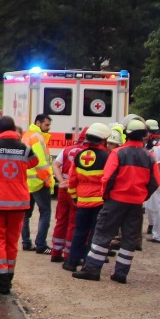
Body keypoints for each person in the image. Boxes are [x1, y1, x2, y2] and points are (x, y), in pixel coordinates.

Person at [72, 118, 160, 284]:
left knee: (103, 233)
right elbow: (156, 181)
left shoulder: (118, 153)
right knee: (130, 237)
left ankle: (92, 269)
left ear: (127, 134)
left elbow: (107, 178)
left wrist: (105, 196)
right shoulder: (150, 156)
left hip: (115, 200)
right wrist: (142, 196)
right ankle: (121, 274)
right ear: (143, 136)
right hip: (135, 203)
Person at [0, 115, 39, 294]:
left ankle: (2, 281)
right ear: (14, 129)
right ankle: (9, 276)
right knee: (12, 241)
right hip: (19, 203)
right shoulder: (25, 148)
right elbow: (35, 162)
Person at [63, 122, 114, 271]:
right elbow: (109, 179)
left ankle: (71, 262)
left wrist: (74, 196)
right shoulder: (107, 157)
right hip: (99, 202)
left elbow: (72, 179)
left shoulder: (79, 156)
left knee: (79, 231)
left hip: (82, 202)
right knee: (94, 234)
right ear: (103, 140)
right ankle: (87, 262)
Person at [49, 129, 87, 262]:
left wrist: (61, 181)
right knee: (73, 223)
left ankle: (56, 251)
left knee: (61, 221)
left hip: (63, 190)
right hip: (77, 191)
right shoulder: (89, 153)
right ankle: (68, 253)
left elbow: (55, 165)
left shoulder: (67, 149)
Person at [21, 113, 55, 254]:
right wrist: (48, 180)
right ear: (39, 123)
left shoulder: (27, 135)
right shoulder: (38, 138)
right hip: (39, 182)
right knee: (45, 212)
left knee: (25, 215)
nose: (48, 128)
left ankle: (26, 242)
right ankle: (41, 244)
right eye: (46, 125)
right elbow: (41, 163)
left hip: (26, 182)